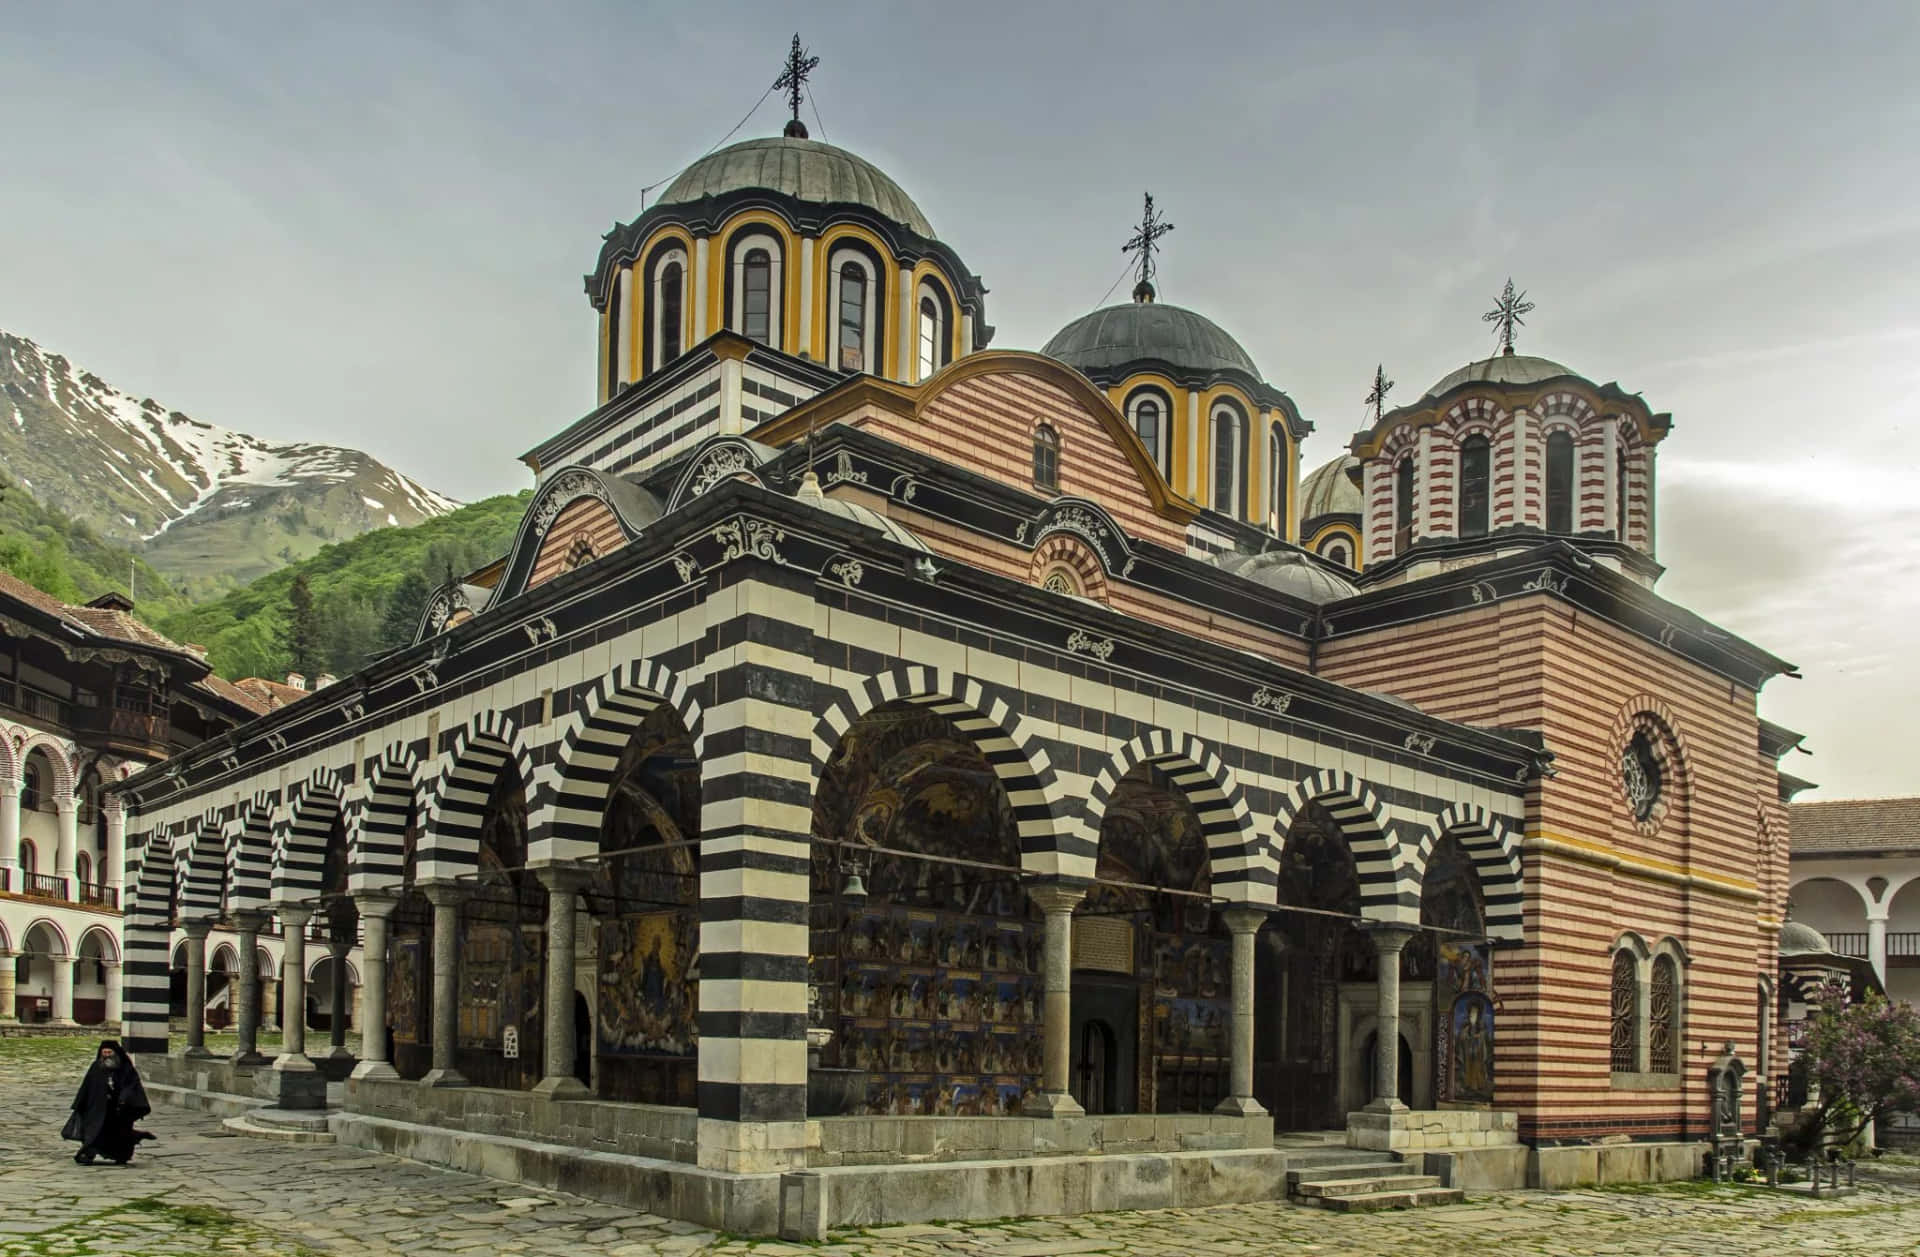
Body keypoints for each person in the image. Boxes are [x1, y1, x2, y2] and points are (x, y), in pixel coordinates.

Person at [62, 1040, 155, 1165]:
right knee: (95, 1130)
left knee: (120, 1133)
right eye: (104, 1052)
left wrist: (124, 1098)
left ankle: (122, 1154)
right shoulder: (96, 1067)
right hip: (98, 1107)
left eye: (109, 1052)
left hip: (118, 1109)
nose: (107, 1055)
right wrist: (80, 1103)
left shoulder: (125, 1068)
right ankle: (87, 1154)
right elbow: (87, 1085)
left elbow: (131, 1086)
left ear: (116, 1053)